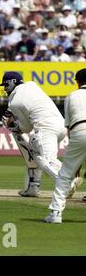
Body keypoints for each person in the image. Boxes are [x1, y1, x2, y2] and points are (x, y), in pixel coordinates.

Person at [0, 71, 82, 197]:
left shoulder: (14, 102)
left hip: (46, 129)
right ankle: (33, 187)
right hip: (61, 126)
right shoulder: (33, 85)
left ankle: (69, 180)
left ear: (11, 84)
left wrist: (13, 126)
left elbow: (26, 128)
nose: (5, 89)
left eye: (5, 86)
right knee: (33, 151)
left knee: (47, 160)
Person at [44, 69, 86, 224]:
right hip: (80, 130)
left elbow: (68, 126)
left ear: (77, 82)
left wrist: (76, 165)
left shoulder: (71, 96)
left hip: (79, 130)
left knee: (65, 175)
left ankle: (55, 213)